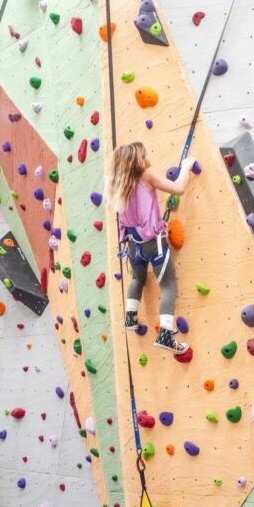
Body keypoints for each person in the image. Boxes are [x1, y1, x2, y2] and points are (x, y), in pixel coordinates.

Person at [106, 142, 196, 353]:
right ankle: (165, 334)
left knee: (138, 278)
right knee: (168, 285)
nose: (149, 155)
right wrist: (186, 167)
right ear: (138, 160)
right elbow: (179, 189)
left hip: (132, 244)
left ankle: (130, 317)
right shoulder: (147, 176)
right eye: (146, 153)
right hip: (153, 243)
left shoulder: (119, 185)